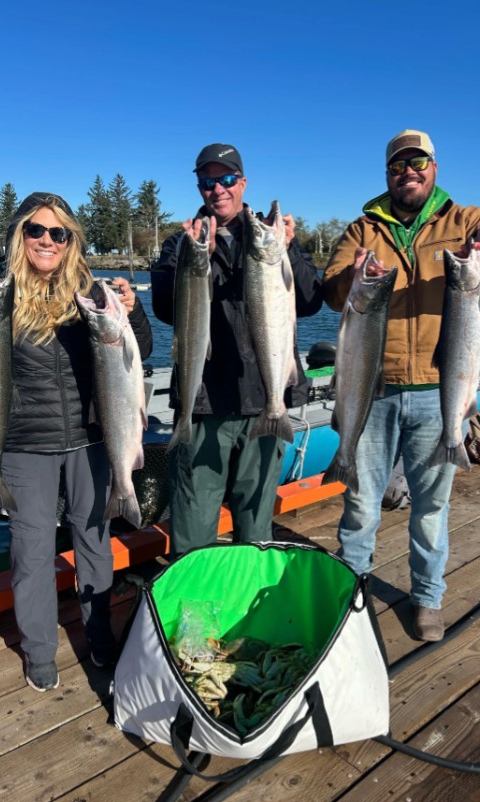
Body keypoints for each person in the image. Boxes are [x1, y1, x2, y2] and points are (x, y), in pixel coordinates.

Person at [0, 192, 153, 690]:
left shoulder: (89, 291)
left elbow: (140, 354)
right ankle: (39, 650)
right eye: (36, 230)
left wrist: (132, 314)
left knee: (94, 542)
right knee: (30, 550)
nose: (47, 241)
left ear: (71, 240)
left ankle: (100, 636)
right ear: (19, 234)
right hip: (25, 444)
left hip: (92, 442)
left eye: (58, 233)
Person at [323, 129, 480, 642]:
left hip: (440, 392)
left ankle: (428, 598)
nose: (408, 173)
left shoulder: (465, 221)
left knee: (432, 507)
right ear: (387, 173)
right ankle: (350, 592)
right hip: (374, 388)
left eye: (418, 163)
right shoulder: (362, 228)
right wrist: (357, 276)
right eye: (398, 166)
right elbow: (332, 291)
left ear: (434, 166)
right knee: (361, 502)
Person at [151, 143, 323, 556]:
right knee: (192, 521)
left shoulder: (272, 235)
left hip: (266, 399)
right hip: (205, 402)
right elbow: (162, 307)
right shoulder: (183, 241)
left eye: (227, 179)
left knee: (256, 521)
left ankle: (250, 605)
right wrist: (193, 261)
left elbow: (311, 299)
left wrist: (290, 249)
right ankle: (191, 612)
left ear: (243, 183)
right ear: (199, 187)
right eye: (208, 181)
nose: (218, 189)